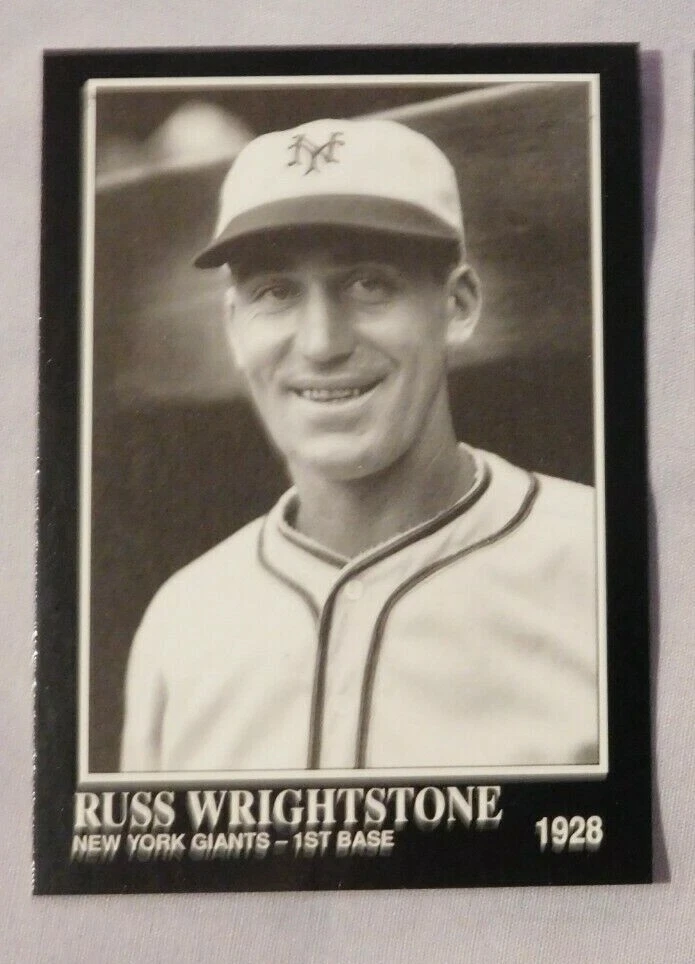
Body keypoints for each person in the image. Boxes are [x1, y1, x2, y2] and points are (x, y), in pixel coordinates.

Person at [120, 117, 598, 773]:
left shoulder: (602, 563)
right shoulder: (183, 620)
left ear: (458, 305)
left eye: (369, 283)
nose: (321, 343)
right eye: (274, 291)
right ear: (234, 327)